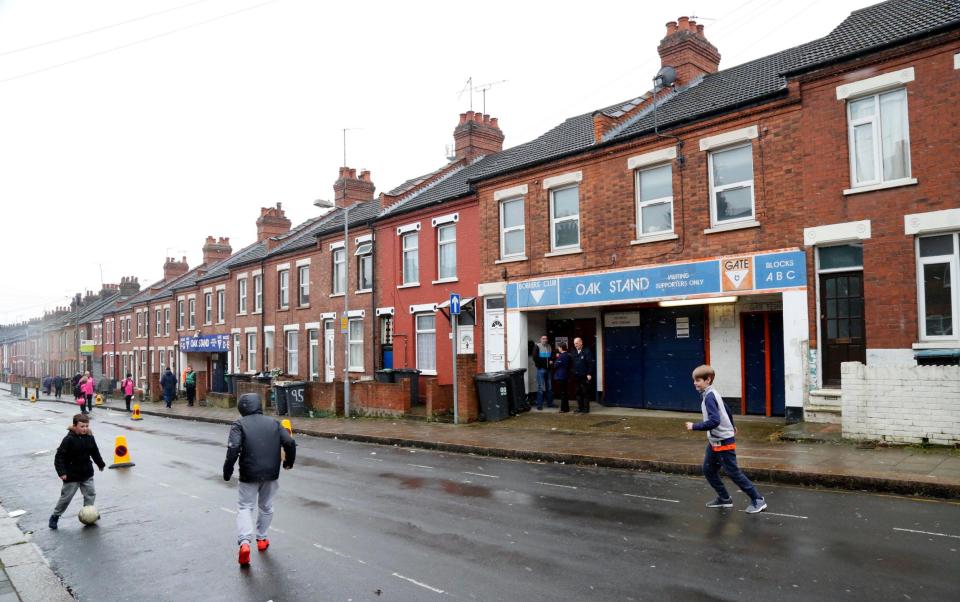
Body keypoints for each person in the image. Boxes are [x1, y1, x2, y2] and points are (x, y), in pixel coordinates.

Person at [223, 393, 296, 567]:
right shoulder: (274, 423)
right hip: (271, 473)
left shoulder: (239, 424)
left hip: (249, 473)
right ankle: (262, 538)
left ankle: (245, 542)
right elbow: (290, 443)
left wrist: (228, 469)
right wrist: (288, 462)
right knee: (267, 506)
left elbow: (233, 449)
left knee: (245, 507)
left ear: (242, 408)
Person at [685, 365, 767, 514]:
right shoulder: (711, 393)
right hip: (715, 441)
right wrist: (732, 424)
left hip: (723, 441)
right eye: (694, 381)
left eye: (698, 380)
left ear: (708, 380)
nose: (695, 383)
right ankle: (724, 499)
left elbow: (714, 421)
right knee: (708, 470)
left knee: (733, 472)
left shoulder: (710, 396)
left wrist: (694, 426)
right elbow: (726, 408)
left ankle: (758, 499)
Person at [49, 413, 105, 529]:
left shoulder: (90, 438)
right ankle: (55, 516)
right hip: (72, 475)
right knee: (66, 498)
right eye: (82, 426)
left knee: (90, 494)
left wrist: (100, 464)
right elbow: (59, 457)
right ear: (75, 426)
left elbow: (95, 452)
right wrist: (62, 472)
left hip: (86, 473)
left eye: (86, 426)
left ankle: (89, 513)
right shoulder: (69, 439)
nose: (85, 429)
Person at [571, 337, 594, 414]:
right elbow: (572, 363)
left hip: (584, 375)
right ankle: (580, 408)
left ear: (581, 342)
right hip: (576, 376)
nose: (575, 345)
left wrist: (589, 373)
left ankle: (586, 409)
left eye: (577, 343)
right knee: (578, 392)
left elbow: (590, 364)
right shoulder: (574, 352)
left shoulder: (587, 351)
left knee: (585, 392)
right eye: (574, 344)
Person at [532, 335, 554, 411]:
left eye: (546, 339)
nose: (545, 340)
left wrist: (551, 361)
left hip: (548, 370)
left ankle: (550, 404)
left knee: (549, 387)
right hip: (541, 369)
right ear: (540, 339)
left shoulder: (549, 346)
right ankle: (539, 405)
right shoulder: (537, 346)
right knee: (540, 387)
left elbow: (551, 356)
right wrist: (541, 366)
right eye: (543, 339)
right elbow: (535, 358)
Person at [553, 343, 572, 413]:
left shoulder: (561, 356)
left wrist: (557, 357)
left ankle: (563, 409)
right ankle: (566, 408)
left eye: (558, 347)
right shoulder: (568, 355)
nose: (558, 349)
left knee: (563, 393)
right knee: (565, 393)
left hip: (561, 376)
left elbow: (555, 365)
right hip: (566, 375)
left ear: (561, 348)